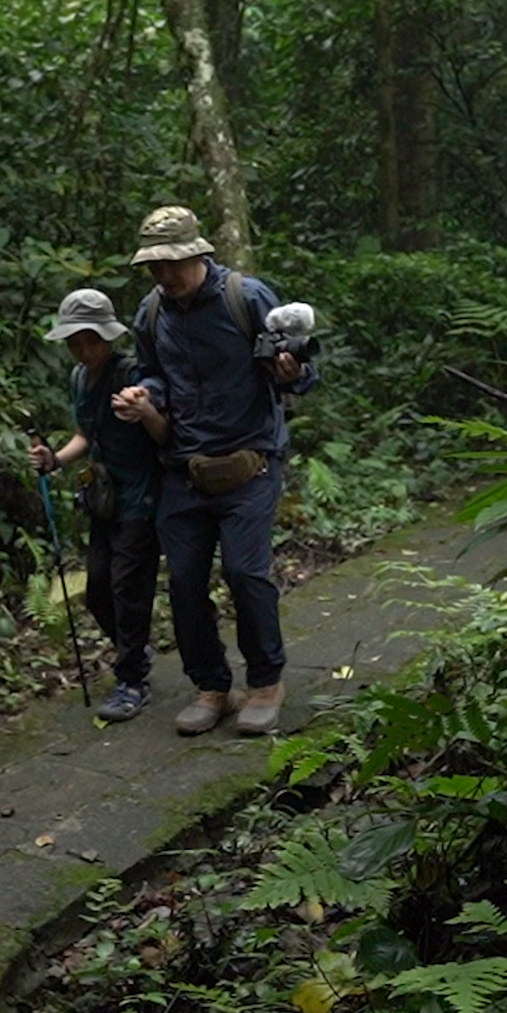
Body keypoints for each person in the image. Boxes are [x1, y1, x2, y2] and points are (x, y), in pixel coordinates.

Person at [112, 206, 316, 736]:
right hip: (184, 465)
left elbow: (297, 372)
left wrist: (290, 371)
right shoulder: (151, 313)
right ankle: (211, 685)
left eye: (171, 264)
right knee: (183, 582)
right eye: (154, 267)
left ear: (196, 254)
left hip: (250, 459)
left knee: (246, 574)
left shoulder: (245, 297)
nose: (163, 275)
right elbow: (152, 373)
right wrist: (143, 396)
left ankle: (266, 682)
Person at [30, 288, 167, 722]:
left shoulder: (131, 374)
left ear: (107, 338)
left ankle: (131, 680)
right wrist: (54, 460)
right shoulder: (78, 378)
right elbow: (84, 436)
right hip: (105, 500)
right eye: (75, 342)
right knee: (97, 591)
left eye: (91, 340)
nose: (84, 350)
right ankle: (136, 651)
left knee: (129, 586)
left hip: (141, 496)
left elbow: (163, 431)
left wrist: (142, 409)